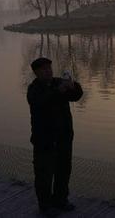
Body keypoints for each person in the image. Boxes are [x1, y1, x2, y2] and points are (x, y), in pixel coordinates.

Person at [27, 57, 83, 216]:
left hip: (64, 139)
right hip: (44, 141)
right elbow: (42, 102)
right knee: (44, 175)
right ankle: (45, 206)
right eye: (44, 69)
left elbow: (77, 95)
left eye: (49, 68)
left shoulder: (59, 82)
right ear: (37, 73)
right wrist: (59, 91)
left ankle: (61, 200)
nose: (48, 71)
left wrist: (73, 86)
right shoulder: (33, 89)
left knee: (63, 171)